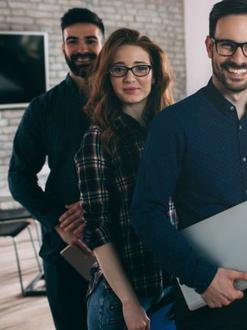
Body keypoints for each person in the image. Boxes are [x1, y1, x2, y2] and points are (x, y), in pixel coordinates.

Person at [130, 0, 247, 329]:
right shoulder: (173, 124)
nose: (239, 58)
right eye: (228, 45)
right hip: (205, 298)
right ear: (210, 46)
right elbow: (145, 212)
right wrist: (203, 278)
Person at [8, 8, 104, 330]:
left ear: (103, 44)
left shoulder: (125, 98)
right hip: (66, 247)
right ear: (63, 47)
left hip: (124, 240)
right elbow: (19, 178)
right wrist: (57, 221)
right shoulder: (42, 109)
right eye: (72, 41)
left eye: (90, 40)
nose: (82, 49)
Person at [74, 28, 174, 330]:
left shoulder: (171, 129)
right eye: (119, 69)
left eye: (140, 68)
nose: (131, 78)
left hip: (173, 286)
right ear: (108, 77)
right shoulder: (97, 138)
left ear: (155, 75)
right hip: (123, 301)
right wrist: (129, 302)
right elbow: (98, 230)